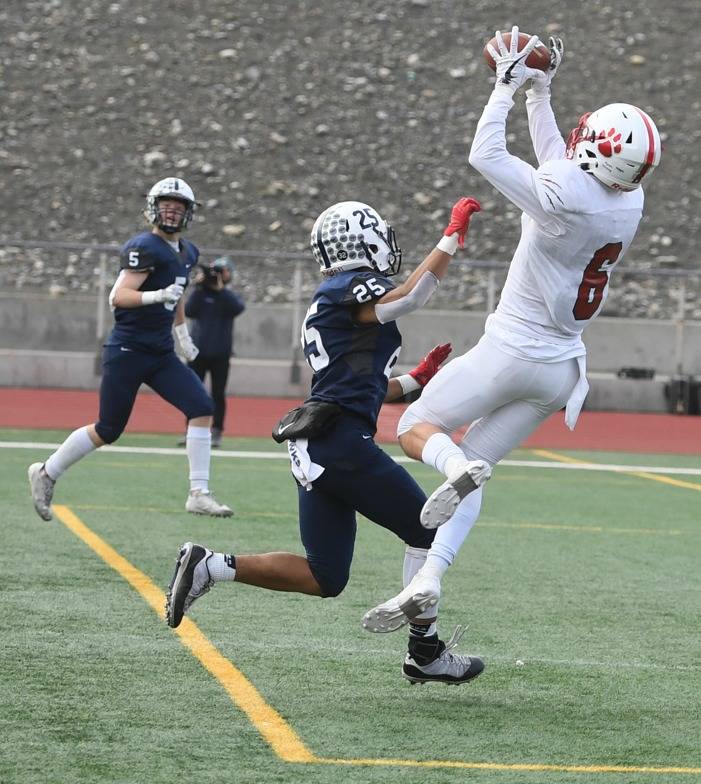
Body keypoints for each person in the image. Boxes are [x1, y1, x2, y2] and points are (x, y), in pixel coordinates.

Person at [363, 28, 662, 634]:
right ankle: (429, 578)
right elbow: (560, 166)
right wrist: (539, 92)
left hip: (512, 351)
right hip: (562, 372)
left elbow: (486, 155)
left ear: (599, 154)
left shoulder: (565, 197)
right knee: (475, 469)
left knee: (413, 426)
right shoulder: (627, 202)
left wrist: (505, 87)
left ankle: (453, 470)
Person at [165, 197, 486, 685]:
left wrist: (417, 379)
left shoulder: (333, 297)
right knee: (429, 532)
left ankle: (211, 566)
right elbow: (410, 297)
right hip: (341, 443)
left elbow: (362, 387)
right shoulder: (347, 287)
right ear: (362, 240)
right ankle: (425, 652)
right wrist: (450, 237)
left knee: (325, 576)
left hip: (316, 444)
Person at [28, 177, 233, 520]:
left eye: (178, 207)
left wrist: (182, 335)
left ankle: (199, 493)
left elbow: (177, 295)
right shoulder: (144, 246)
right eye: (166, 205)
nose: (171, 212)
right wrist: (156, 296)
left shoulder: (188, 252)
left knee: (201, 406)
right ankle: (46, 472)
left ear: (189, 213)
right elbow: (118, 296)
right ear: (153, 209)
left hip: (160, 351)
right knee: (108, 429)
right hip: (128, 349)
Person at [178, 256, 245, 448]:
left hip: (221, 353)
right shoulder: (200, 294)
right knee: (193, 391)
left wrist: (220, 290)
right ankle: (191, 429)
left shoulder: (228, 296)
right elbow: (189, 311)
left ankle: (216, 431)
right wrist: (197, 287)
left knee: (218, 393)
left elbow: (238, 308)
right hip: (197, 352)